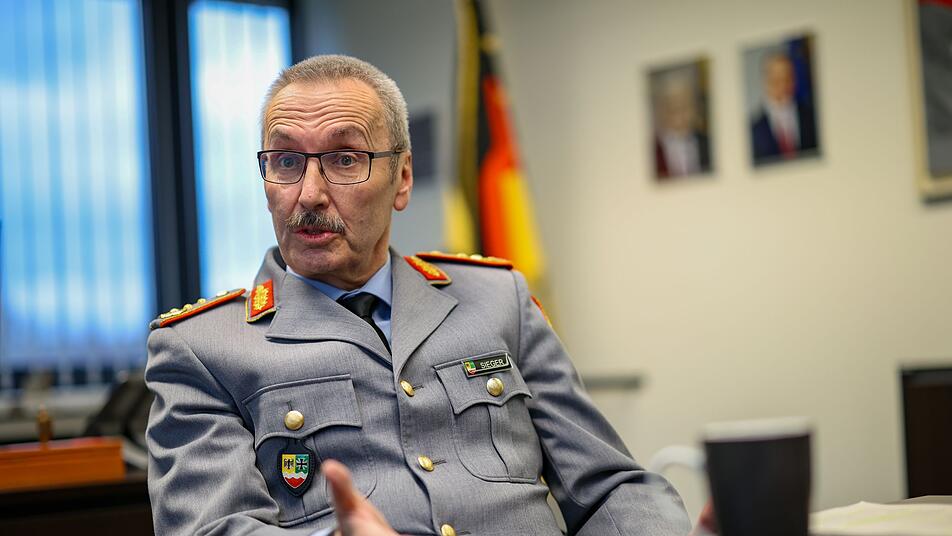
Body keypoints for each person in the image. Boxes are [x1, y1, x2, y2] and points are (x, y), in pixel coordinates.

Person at [145, 54, 691, 536]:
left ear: (402, 179)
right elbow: (213, 528)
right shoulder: (204, 349)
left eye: (344, 159)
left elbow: (611, 486)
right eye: (286, 161)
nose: (309, 194)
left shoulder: (497, 299)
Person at [749, 51, 818, 165]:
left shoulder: (811, 116)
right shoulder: (753, 129)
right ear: (766, 82)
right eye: (776, 80)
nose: (783, 85)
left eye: (788, 78)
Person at [652, 69, 711, 179]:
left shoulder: (708, 144)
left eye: (687, 106)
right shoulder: (654, 152)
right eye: (674, 108)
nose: (682, 116)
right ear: (661, 111)